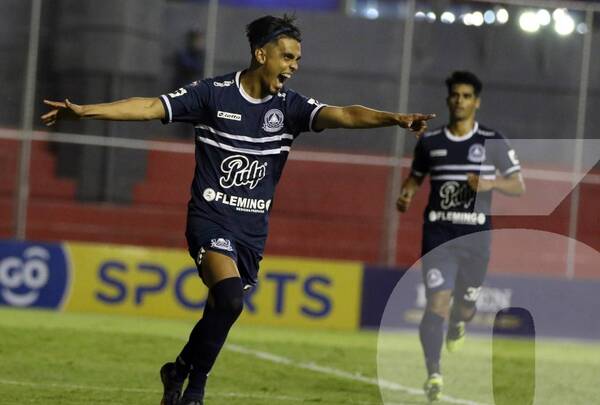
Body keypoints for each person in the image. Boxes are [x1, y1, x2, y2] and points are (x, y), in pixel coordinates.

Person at [42, 15, 434, 405]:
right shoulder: (213, 94)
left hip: (251, 231)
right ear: (261, 54)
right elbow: (148, 106)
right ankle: (195, 391)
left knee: (220, 309)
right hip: (210, 219)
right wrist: (84, 111)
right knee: (230, 298)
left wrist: (394, 119)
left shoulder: (291, 108)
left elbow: (345, 114)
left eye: (297, 59)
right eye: (287, 57)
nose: (294, 66)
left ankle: (177, 370)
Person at [396, 71, 525, 402]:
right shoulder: (430, 142)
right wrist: (407, 193)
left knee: (465, 308)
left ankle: (459, 322)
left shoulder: (492, 141)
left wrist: (491, 184)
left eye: (467, 96)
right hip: (439, 235)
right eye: (455, 95)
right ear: (448, 99)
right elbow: (415, 177)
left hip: (475, 238)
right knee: (436, 302)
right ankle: (434, 373)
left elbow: (518, 185)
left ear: (476, 102)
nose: (460, 101)